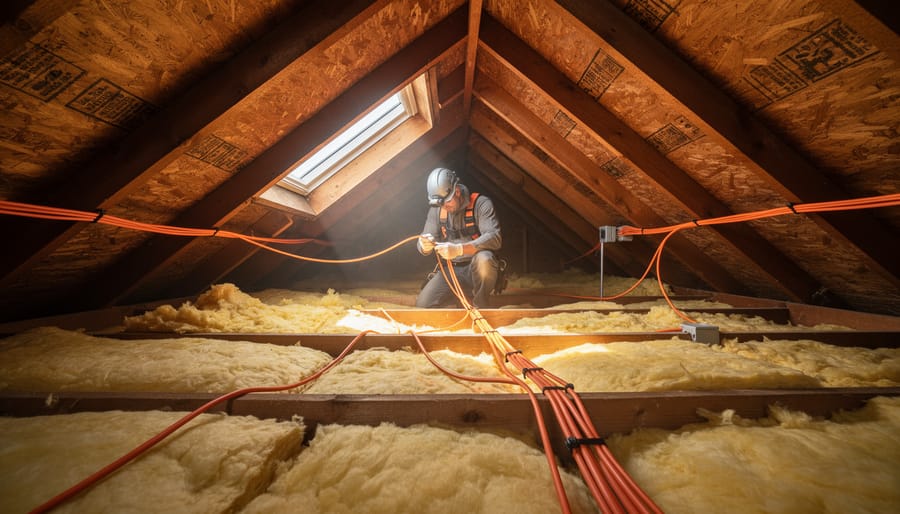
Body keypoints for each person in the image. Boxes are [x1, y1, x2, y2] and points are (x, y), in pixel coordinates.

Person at [416, 167, 502, 308]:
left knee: (484, 259)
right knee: (423, 305)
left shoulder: (481, 204)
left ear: (456, 192)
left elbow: (494, 238)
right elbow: (422, 242)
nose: (444, 207)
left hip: (475, 267)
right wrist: (424, 246)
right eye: (440, 204)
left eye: (447, 202)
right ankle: (459, 300)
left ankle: (481, 305)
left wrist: (459, 249)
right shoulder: (437, 210)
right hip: (451, 270)